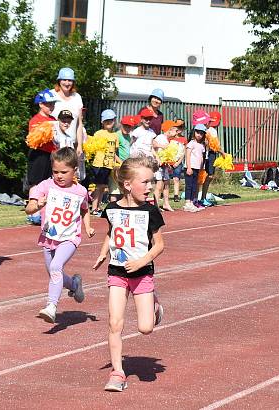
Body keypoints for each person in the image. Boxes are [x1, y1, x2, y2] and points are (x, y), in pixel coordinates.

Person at [93, 156, 164, 392]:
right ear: (127, 185)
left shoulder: (150, 211)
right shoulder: (112, 208)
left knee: (146, 328)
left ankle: (154, 304)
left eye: (151, 182)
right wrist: (103, 253)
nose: (149, 187)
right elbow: (111, 233)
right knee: (114, 322)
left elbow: (159, 245)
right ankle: (118, 372)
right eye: (144, 182)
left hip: (142, 274)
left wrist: (143, 260)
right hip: (117, 272)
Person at [24, 147, 92, 322]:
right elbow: (28, 208)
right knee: (55, 273)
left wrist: (88, 227)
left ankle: (51, 306)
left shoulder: (81, 191)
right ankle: (74, 284)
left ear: (74, 170)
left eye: (64, 172)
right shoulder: (45, 186)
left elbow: (84, 209)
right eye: (55, 172)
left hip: (70, 238)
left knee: (55, 268)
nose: (59, 176)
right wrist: (38, 206)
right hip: (48, 237)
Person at [51, 68, 85, 179]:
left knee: (74, 175)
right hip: (55, 143)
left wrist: (79, 145)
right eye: (64, 80)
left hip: (72, 144)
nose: (67, 83)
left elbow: (79, 123)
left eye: (70, 80)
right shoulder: (52, 95)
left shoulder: (77, 97)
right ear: (59, 81)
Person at [27, 89, 60, 189]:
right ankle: (33, 201)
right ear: (41, 104)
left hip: (51, 154)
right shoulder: (35, 120)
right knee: (36, 180)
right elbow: (33, 139)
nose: (52, 107)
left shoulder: (54, 119)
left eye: (53, 104)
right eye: (49, 104)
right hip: (39, 154)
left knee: (48, 181)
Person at [90, 109, 120, 215]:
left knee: (103, 187)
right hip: (99, 163)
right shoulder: (98, 133)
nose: (109, 123)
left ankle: (97, 207)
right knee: (98, 186)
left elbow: (114, 153)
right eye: (106, 120)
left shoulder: (115, 136)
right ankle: (94, 207)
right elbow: (92, 148)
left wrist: (120, 162)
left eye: (111, 120)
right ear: (102, 122)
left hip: (109, 165)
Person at [200, 111, 226, 207]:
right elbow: (213, 145)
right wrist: (222, 153)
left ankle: (203, 198)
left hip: (210, 154)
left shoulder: (211, 129)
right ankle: (201, 198)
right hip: (207, 154)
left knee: (208, 176)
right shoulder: (211, 130)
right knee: (205, 176)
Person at [109, 115, 137, 202]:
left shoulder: (128, 136)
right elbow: (112, 152)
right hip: (117, 165)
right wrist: (121, 163)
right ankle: (112, 207)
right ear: (121, 124)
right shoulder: (116, 135)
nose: (127, 128)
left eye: (130, 127)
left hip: (124, 165)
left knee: (123, 189)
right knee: (115, 190)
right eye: (125, 126)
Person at [183, 124, 207, 212]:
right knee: (189, 185)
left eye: (201, 133)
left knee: (194, 185)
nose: (199, 135)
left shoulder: (201, 145)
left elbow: (201, 157)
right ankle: (187, 203)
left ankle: (192, 202)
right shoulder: (191, 143)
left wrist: (201, 167)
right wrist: (189, 168)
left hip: (197, 168)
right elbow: (187, 155)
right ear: (194, 132)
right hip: (190, 167)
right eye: (197, 132)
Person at [152, 120, 173, 211]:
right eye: (175, 130)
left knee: (167, 183)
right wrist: (161, 147)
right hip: (159, 164)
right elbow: (153, 144)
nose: (176, 133)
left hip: (164, 164)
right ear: (169, 130)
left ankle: (166, 203)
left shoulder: (168, 140)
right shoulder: (160, 137)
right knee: (159, 184)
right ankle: (156, 205)